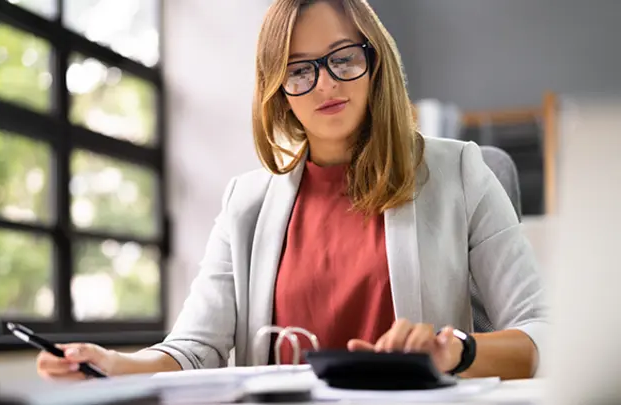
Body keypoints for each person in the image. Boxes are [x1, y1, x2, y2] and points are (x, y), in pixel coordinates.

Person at [37, 0, 547, 381]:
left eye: (342, 58)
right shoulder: (246, 202)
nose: (325, 85)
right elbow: (194, 349)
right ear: (279, 90)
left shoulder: (460, 171)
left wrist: (456, 349)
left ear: (375, 63)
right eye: (300, 70)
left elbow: (542, 334)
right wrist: (113, 364)